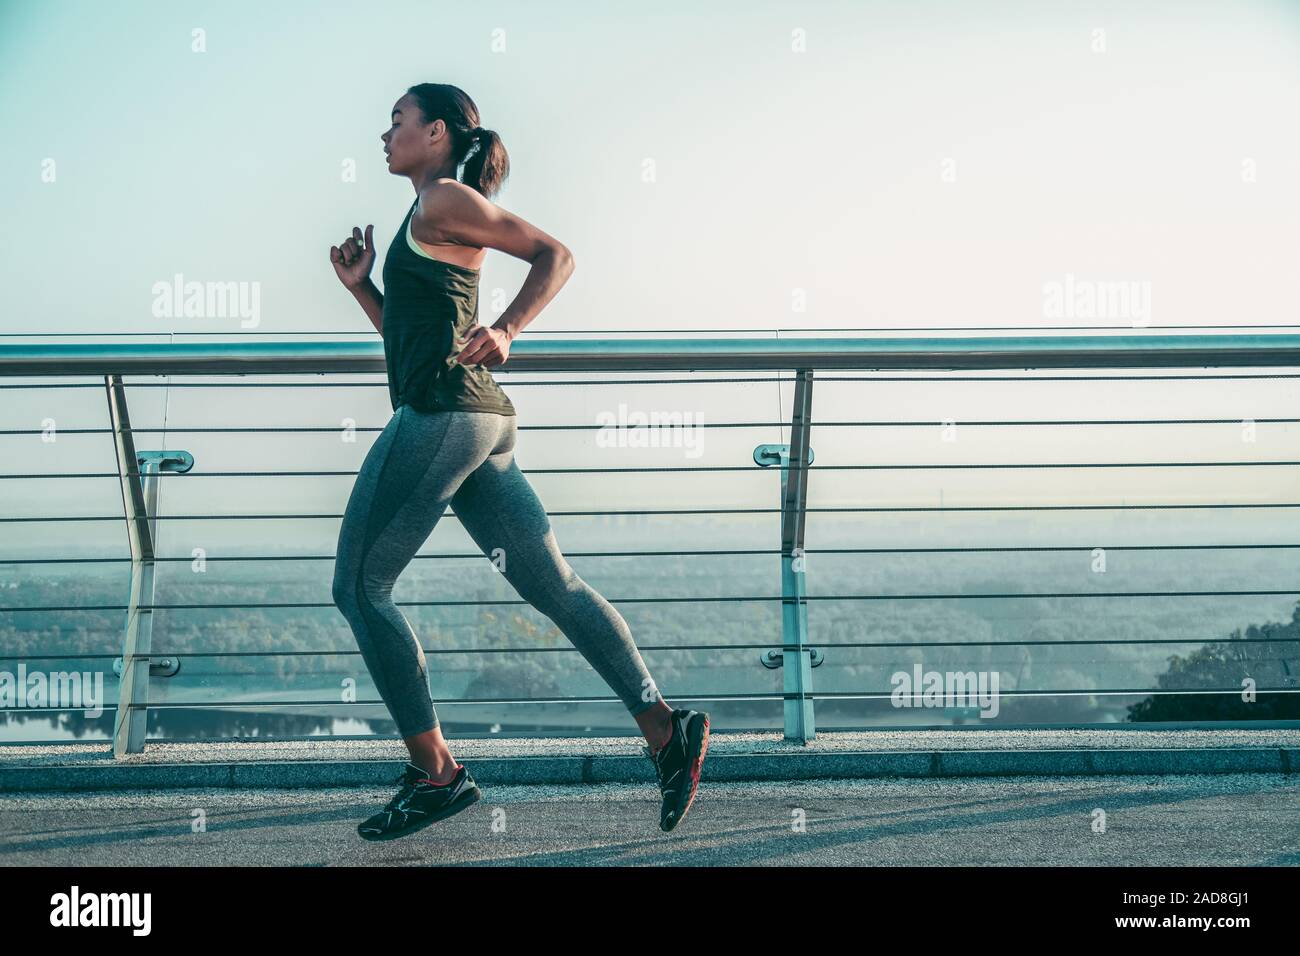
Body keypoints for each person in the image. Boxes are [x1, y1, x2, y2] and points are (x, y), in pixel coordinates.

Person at [328, 83, 709, 841]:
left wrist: (507, 328)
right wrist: (361, 287)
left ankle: (438, 775)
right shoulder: (428, 210)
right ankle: (667, 731)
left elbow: (555, 255)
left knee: (359, 588)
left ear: (436, 131)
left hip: (445, 418)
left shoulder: (442, 199)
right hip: (474, 423)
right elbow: (414, 335)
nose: (385, 132)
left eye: (397, 120)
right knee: (552, 585)